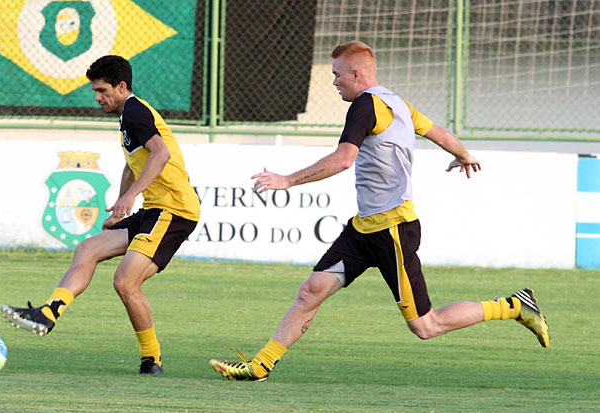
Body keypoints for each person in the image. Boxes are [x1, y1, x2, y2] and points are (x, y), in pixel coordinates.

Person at [209, 41, 549, 381]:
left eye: (337, 75)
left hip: (393, 231)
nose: (334, 82)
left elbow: (344, 159)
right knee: (310, 291)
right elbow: (441, 134)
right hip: (363, 229)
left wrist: (287, 179)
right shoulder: (397, 103)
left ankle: (514, 306)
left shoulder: (365, 105)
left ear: (356, 74)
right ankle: (260, 366)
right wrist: (463, 155)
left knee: (426, 325)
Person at [2, 55, 200, 375]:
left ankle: (152, 360)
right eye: (94, 91)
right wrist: (123, 206)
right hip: (153, 209)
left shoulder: (135, 112)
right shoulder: (128, 116)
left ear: (122, 87)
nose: (97, 97)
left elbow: (161, 154)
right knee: (88, 249)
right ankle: (48, 314)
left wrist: (130, 197)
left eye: (102, 90)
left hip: (173, 209)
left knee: (125, 282)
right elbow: (134, 163)